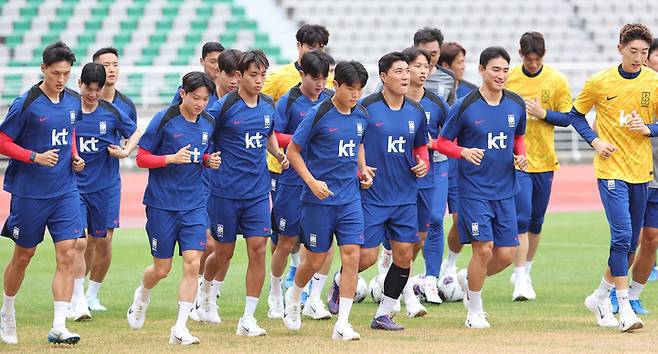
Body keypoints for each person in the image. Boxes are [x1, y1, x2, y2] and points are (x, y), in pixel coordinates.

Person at [570, 24, 658, 332]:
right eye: (633, 51)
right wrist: (595, 141)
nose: (638, 58)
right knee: (622, 236)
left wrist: (650, 129)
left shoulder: (654, 81)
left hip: (641, 171)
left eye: (644, 52)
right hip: (610, 170)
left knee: (631, 242)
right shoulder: (599, 82)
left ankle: (599, 296)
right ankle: (625, 310)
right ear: (619, 48)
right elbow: (574, 114)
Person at [435, 47, 528, 329]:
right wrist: (462, 152)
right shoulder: (465, 105)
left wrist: (520, 155)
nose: (500, 75)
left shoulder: (515, 104)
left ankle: (467, 280)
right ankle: (474, 310)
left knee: (506, 254)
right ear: (482, 70)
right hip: (474, 190)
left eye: (504, 70)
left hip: (505, 189)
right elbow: (441, 143)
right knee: (484, 248)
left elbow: (519, 137)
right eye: (495, 70)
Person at [335, 52, 429, 330]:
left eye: (406, 71)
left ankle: (383, 314)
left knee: (404, 256)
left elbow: (420, 146)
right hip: (372, 196)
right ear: (384, 77)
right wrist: (359, 169)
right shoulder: (365, 108)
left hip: (404, 196)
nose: (404, 76)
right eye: (398, 72)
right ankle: (339, 283)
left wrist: (422, 162)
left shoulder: (416, 111)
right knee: (366, 257)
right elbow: (350, 142)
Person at [0, 41, 85, 345]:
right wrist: (33, 156)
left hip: (65, 190)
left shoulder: (74, 101)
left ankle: (59, 325)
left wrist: (74, 156)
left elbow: (69, 133)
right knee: (24, 255)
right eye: (56, 73)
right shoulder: (26, 103)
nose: (61, 79)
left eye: (66, 73)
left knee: (68, 252)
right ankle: (7, 313)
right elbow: (3, 141)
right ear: (43, 69)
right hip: (30, 192)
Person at [126, 71, 220, 345]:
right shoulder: (164, 119)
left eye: (205, 99)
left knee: (192, 264)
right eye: (195, 98)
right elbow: (141, 158)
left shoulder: (208, 123)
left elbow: (201, 153)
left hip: (194, 204)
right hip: (162, 204)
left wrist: (207, 160)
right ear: (182, 93)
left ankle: (180, 327)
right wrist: (170, 158)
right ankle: (142, 294)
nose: (200, 104)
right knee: (162, 269)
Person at [202, 50, 288, 337]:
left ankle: (248, 318)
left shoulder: (266, 104)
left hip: (257, 192)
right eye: (253, 75)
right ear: (238, 76)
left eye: (263, 74)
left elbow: (268, 133)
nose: (260, 80)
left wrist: (276, 152)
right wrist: (206, 158)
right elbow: (203, 136)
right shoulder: (223, 108)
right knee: (223, 252)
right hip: (225, 191)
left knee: (258, 249)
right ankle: (205, 289)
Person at [282, 60, 370, 341]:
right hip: (318, 200)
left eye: (359, 90)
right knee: (315, 258)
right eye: (350, 89)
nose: (355, 95)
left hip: (349, 199)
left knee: (352, 256)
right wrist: (311, 181)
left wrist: (363, 169)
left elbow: (358, 143)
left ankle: (342, 323)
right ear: (337, 86)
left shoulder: (361, 115)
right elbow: (293, 150)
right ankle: (294, 295)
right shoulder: (318, 113)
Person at [262, 24, 333, 289]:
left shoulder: (329, 92)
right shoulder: (283, 83)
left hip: (322, 173)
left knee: (320, 237)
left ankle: (310, 294)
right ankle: (277, 286)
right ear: (299, 46)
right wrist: (299, 141)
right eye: (311, 46)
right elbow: (268, 124)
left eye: (321, 47)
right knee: (284, 236)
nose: (316, 51)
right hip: (283, 168)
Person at [69, 63, 140, 322]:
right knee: (78, 241)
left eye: (97, 90)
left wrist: (125, 151)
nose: (92, 95)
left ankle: (91, 294)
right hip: (74, 187)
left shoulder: (112, 112)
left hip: (106, 187)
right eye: (88, 89)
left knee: (103, 240)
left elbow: (135, 133)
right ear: (80, 85)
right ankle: (76, 301)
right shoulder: (69, 110)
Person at [505, 32, 573, 301]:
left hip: (545, 160)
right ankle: (520, 278)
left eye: (538, 59)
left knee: (536, 221)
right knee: (521, 218)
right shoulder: (509, 78)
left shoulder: (556, 80)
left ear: (544, 55)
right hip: (517, 161)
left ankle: (527, 269)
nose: (533, 64)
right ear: (521, 55)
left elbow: (568, 117)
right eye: (529, 59)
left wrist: (543, 113)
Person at [188, 48, 242, 323]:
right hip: (203, 183)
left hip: (233, 184)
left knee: (225, 245)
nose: (234, 80)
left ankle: (209, 296)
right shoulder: (205, 104)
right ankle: (198, 293)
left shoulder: (243, 103)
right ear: (217, 72)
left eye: (238, 75)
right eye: (229, 74)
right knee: (207, 242)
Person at [403, 47, 450, 303]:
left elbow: (451, 136)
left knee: (430, 223)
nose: (423, 71)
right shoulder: (390, 100)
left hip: (431, 171)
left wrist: (434, 145)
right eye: (417, 66)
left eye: (426, 66)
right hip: (397, 173)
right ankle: (394, 274)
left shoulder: (436, 103)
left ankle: (429, 278)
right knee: (399, 230)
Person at [644, 39, 658, 284]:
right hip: (637, 172)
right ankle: (613, 293)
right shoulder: (635, 89)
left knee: (653, 236)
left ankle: (631, 296)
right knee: (630, 237)